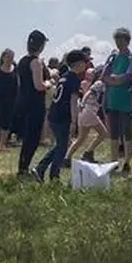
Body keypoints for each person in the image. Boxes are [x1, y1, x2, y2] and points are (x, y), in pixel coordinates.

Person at [33, 50, 86, 184]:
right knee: (62, 148)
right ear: (77, 64)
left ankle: (41, 168)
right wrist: (75, 121)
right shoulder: (74, 79)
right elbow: (73, 101)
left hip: (54, 114)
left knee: (60, 145)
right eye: (84, 62)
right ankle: (53, 175)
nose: (86, 65)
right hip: (62, 117)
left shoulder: (64, 76)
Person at [101, 28, 132, 176]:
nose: (118, 43)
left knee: (127, 131)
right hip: (112, 97)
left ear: (127, 40)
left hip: (126, 98)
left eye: (121, 40)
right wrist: (115, 79)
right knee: (113, 131)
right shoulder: (113, 56)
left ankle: (127, 162)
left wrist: (115, 79)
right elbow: (104, 75)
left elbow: (129, 75)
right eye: (116, 40)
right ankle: (114, 162)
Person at [16, 31, 50, 178]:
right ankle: (24, 168)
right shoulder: (36, 62)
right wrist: (49, 83)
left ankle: (23, 167)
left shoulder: (22, 61)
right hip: (35, 102)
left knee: (27, 137)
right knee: (33, 138)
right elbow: (39, 85)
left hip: (23, 100)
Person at [70, 73, 107, 162]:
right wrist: (83, 103)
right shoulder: (99, 83)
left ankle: (67, 158)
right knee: (103, 133)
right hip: (90, 111)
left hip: (87, 112)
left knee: (81, 138)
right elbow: (89, 93)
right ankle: (88, 152)